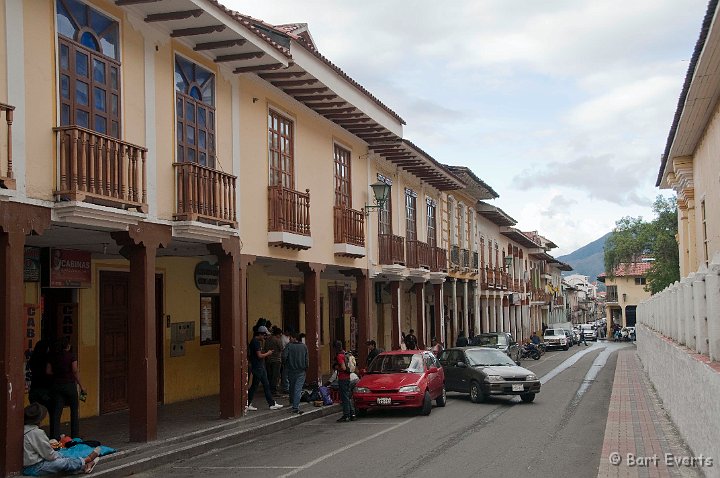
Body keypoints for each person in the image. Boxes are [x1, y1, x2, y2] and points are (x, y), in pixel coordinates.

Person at [23, 403, 100, 475]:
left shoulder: (24, 430)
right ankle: (86, 460)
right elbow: (49, 455)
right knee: (61, 462)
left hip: (32, 464)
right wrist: (59, 456)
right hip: (34, 467)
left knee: (61, 457)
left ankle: (84, 467)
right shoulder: (36, 433)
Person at [47, 337, 84, 439]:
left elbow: (48, 371)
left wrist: (58, 374)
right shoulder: (71, 356)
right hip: (69, 385)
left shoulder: (52, 356)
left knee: (57, 411)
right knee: (74, 410)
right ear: (68, 346)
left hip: (57, 385)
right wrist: (82, 386)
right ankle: (75, 435)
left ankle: (55, 436)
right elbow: (75, 371)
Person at [247, 326, 283, 411]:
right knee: (259, 386)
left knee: (261, 385)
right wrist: (268, 353)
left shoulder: (255, 341)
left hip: (259, 366)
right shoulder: (255, 342)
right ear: (260, 334)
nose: (265, 337)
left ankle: (271, 403)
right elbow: (259, 355)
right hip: (258, 367)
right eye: (264, 335)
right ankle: (270, 403)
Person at [283, 332, 308, 415]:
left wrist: (286, 364)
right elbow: (307, 359)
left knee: (292, 387)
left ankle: (291, 401)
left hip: (291, 370)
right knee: (298, 389)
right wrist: (306, 368)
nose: (289, 339)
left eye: (290, 338)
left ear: (294, 338)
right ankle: (295, 407)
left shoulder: (289, 346)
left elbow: (284, 357)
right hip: (301, 371)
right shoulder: (304, 347)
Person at [28, 340, 54, 417]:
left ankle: (35, 428)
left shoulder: (33, 359)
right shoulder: (48, 359)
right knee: (52, 412)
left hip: (34, 388)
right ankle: (53, 429)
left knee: (35, 413)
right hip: (45, 389)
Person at [334, 340, 355, 422]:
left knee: (344, 398)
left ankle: (346, 415)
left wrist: (337, 368)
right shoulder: (345, 353)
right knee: (347, 397)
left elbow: (343, 368)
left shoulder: (339, 356)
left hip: (343, 378)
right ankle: (352, 414)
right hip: (348, 377)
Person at [264, 327, 284, 395]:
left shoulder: (267, 339)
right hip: (276, 360)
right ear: (278, 334)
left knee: (269, 375)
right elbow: (281, 349)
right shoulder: (278, 340)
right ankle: (274, 391)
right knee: (275, 376)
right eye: (280, 335)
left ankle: (268, 389)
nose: (281, 336)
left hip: (268, 359)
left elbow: (265, 348)